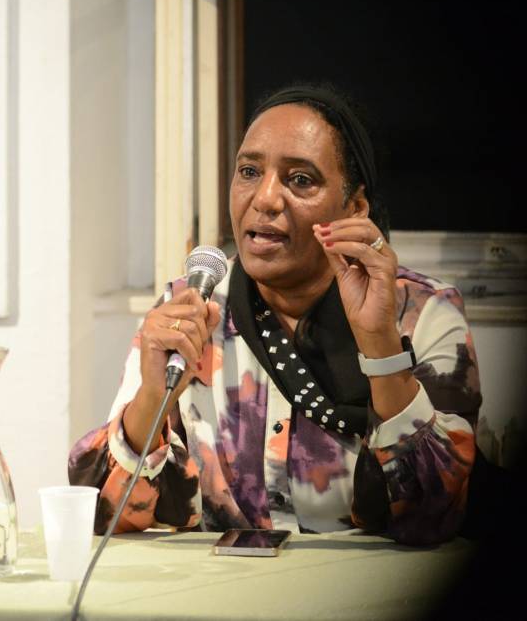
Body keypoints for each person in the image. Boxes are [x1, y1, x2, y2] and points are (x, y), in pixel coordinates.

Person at [68, 84, 480, 545]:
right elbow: (106, 514)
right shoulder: (189, 311)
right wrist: (152, 396)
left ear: (355, 207)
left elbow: (437, 516)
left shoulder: (421, 314)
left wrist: (380, 343)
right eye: (248, 171)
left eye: (300, 179)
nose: (265, 198)